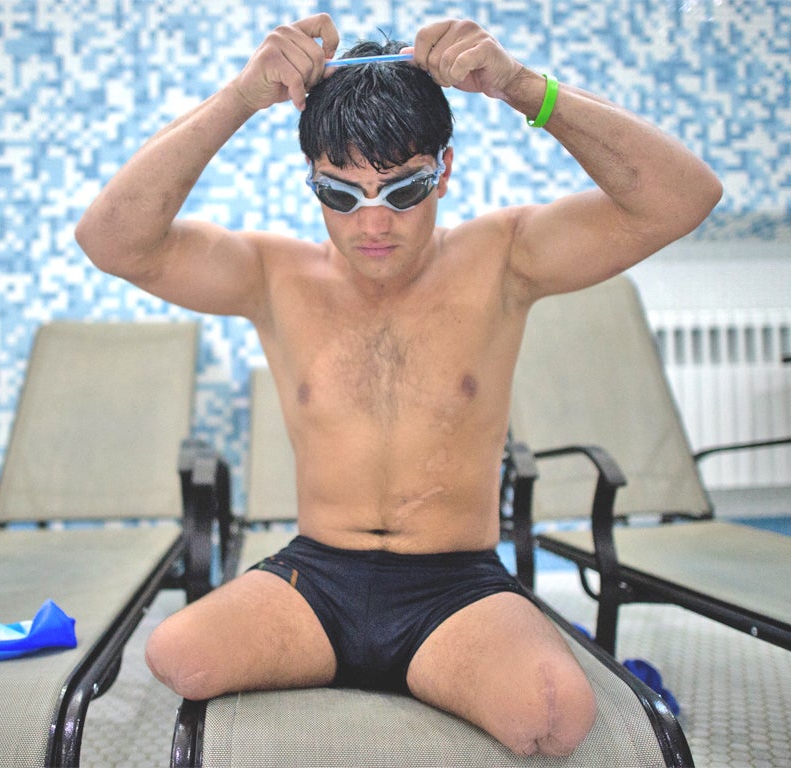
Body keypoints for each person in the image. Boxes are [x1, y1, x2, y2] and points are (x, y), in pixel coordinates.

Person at [75, 13, 721, 757]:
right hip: (317, 577)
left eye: (403, 189)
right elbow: (110, 239)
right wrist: (238, 98)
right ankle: (414, 673)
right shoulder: (270, 276)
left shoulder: (505, 259)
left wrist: (519, 87)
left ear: (444, 170)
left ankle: (442, 662)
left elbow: (683, 197)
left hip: (454, 585)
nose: (373, 221)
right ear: (311, 180)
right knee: (178, 655)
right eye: (342, 194)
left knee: (551, 716)